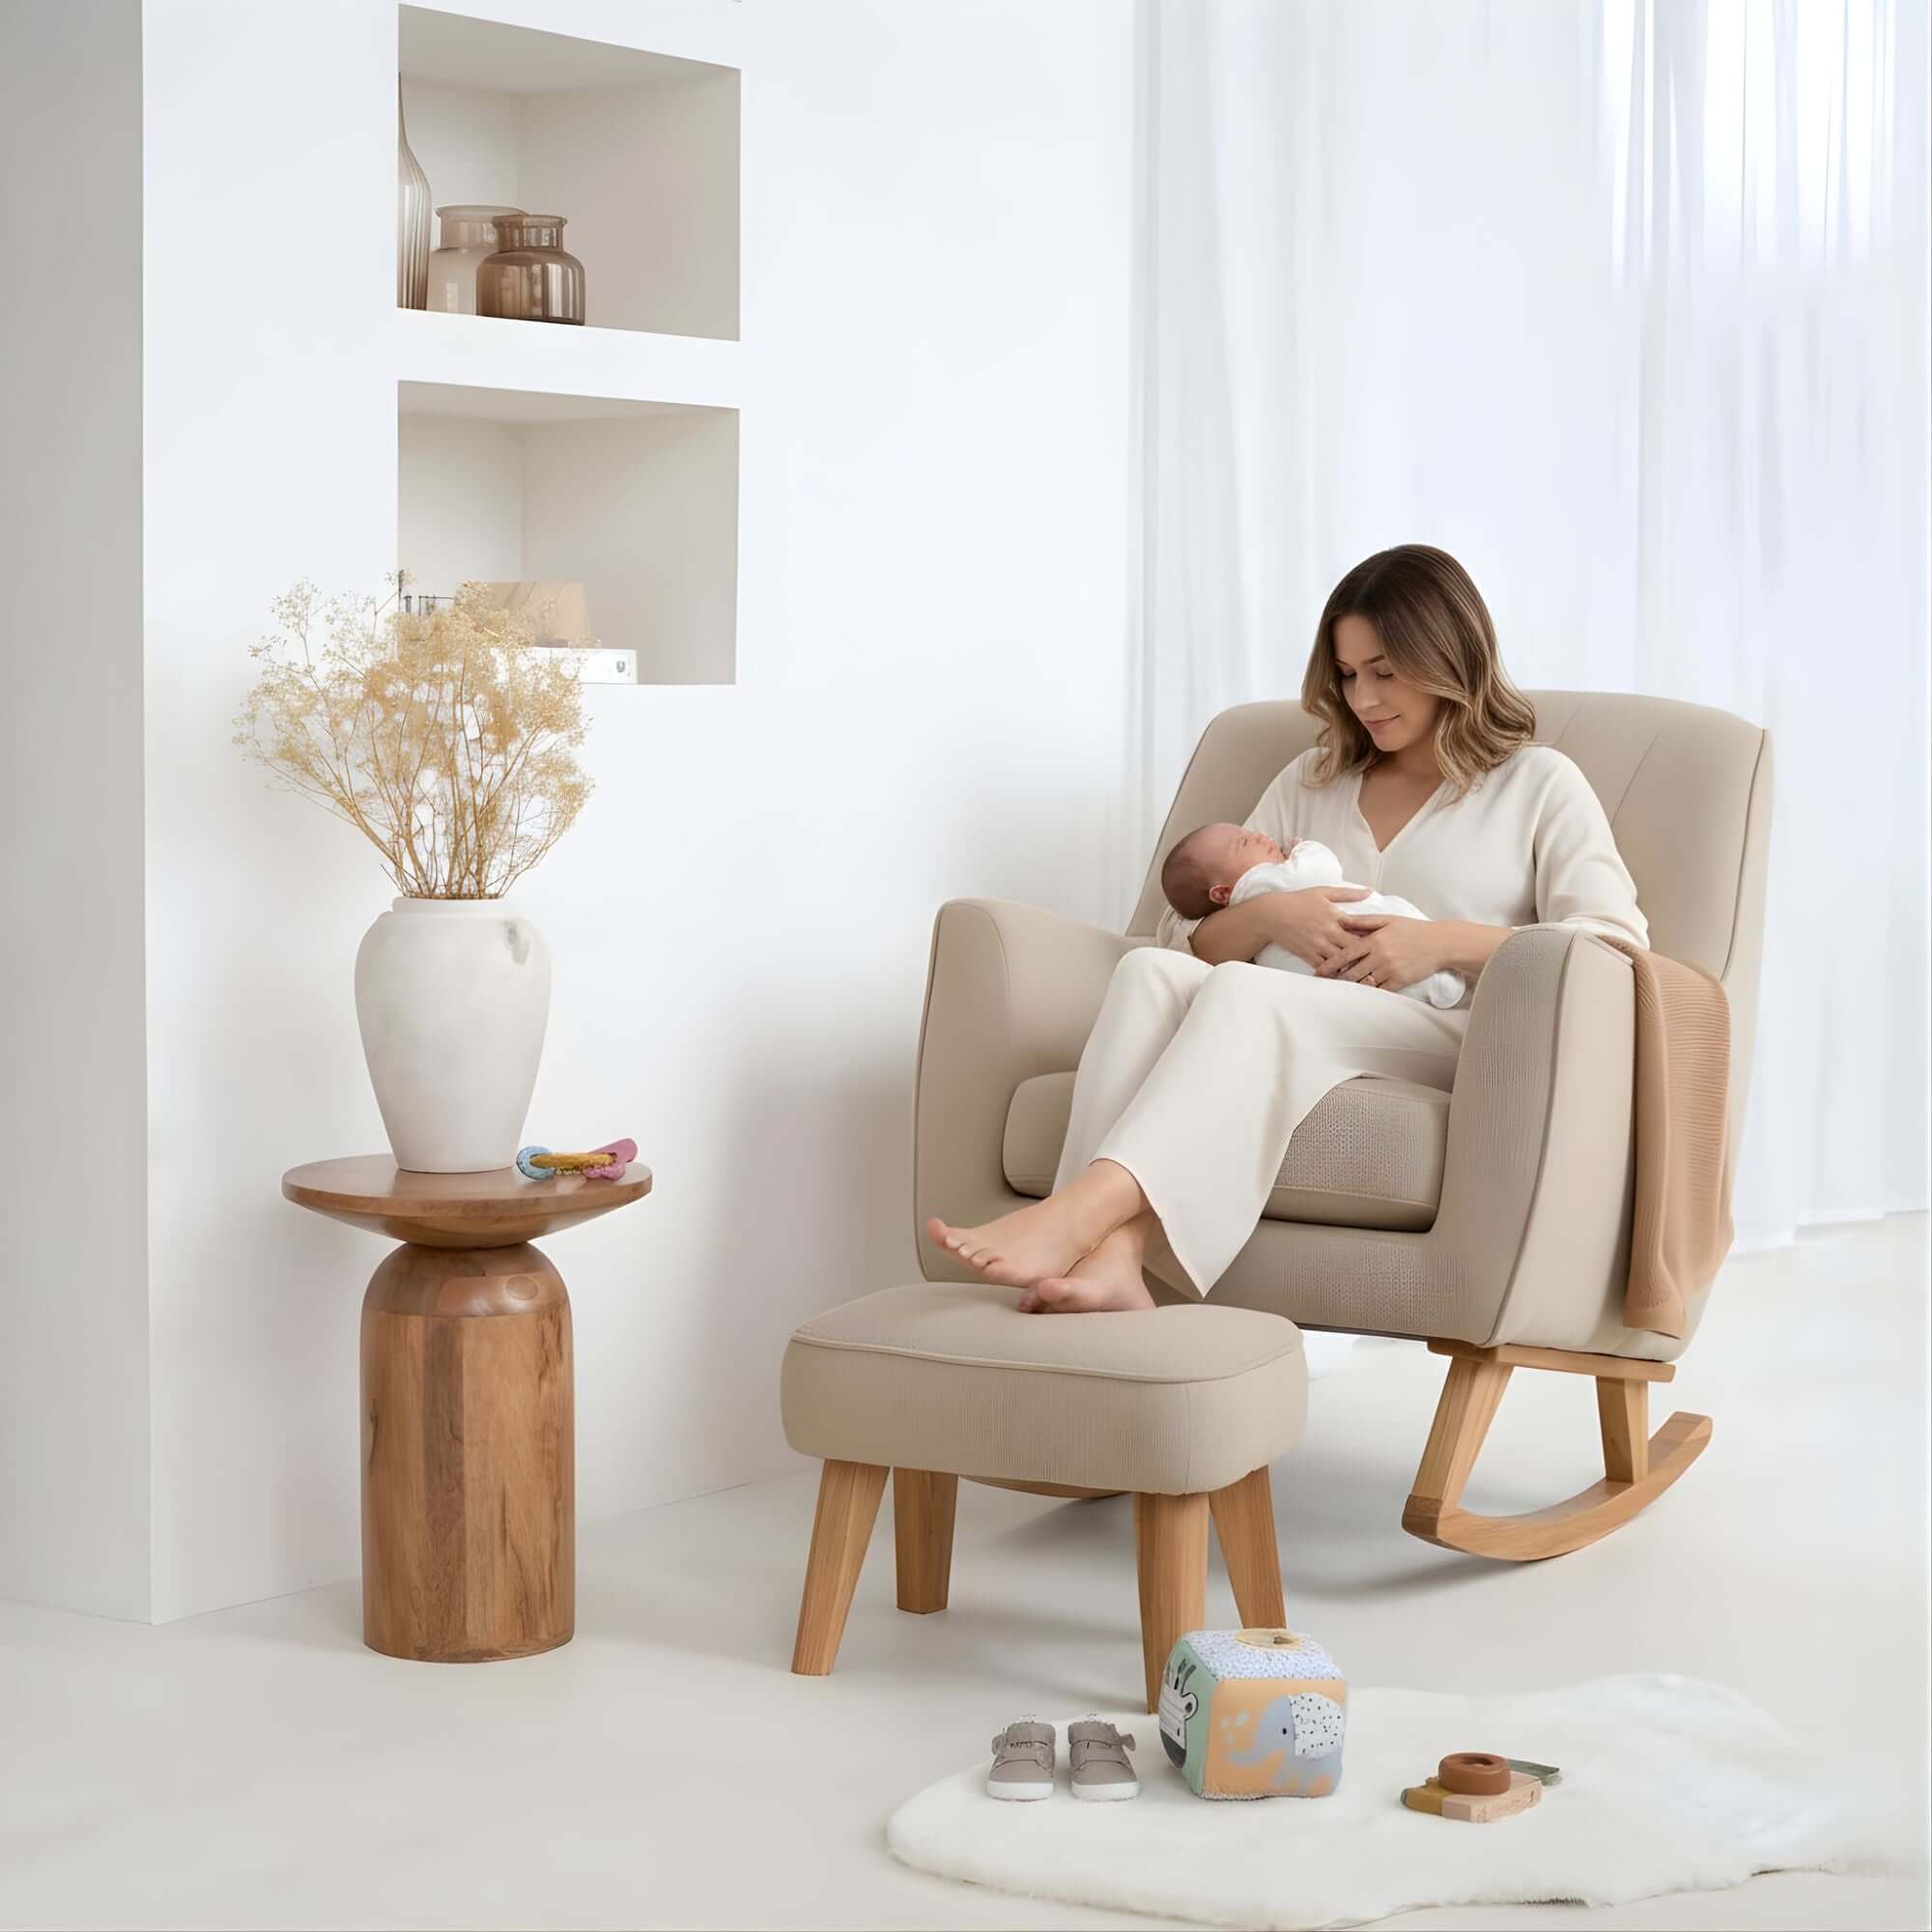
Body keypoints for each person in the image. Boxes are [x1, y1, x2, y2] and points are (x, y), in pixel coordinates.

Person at [926, 543, 1649, 1315]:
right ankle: (1111, 1261)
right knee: (1148, 975)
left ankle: (1079, 1215)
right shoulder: (1312, 781)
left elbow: (1615, 950)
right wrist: (1272, 914)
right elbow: (1187, 942)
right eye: (1347, 674)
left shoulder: (1537, 783)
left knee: (1243, 998)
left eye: (1384, 671)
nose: (1363, 697)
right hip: (1304, 1014)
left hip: (1454, 1031)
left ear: (1448, 657)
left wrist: (1440, 942)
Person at [1158, 822, 1466, 1009]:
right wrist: (1302, 849)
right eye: (1245, 842)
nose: (1261, 835)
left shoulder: (1247, 890)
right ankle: (1441, 983)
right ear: (1221, 894)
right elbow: (1320, 867)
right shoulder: (1265, 881)